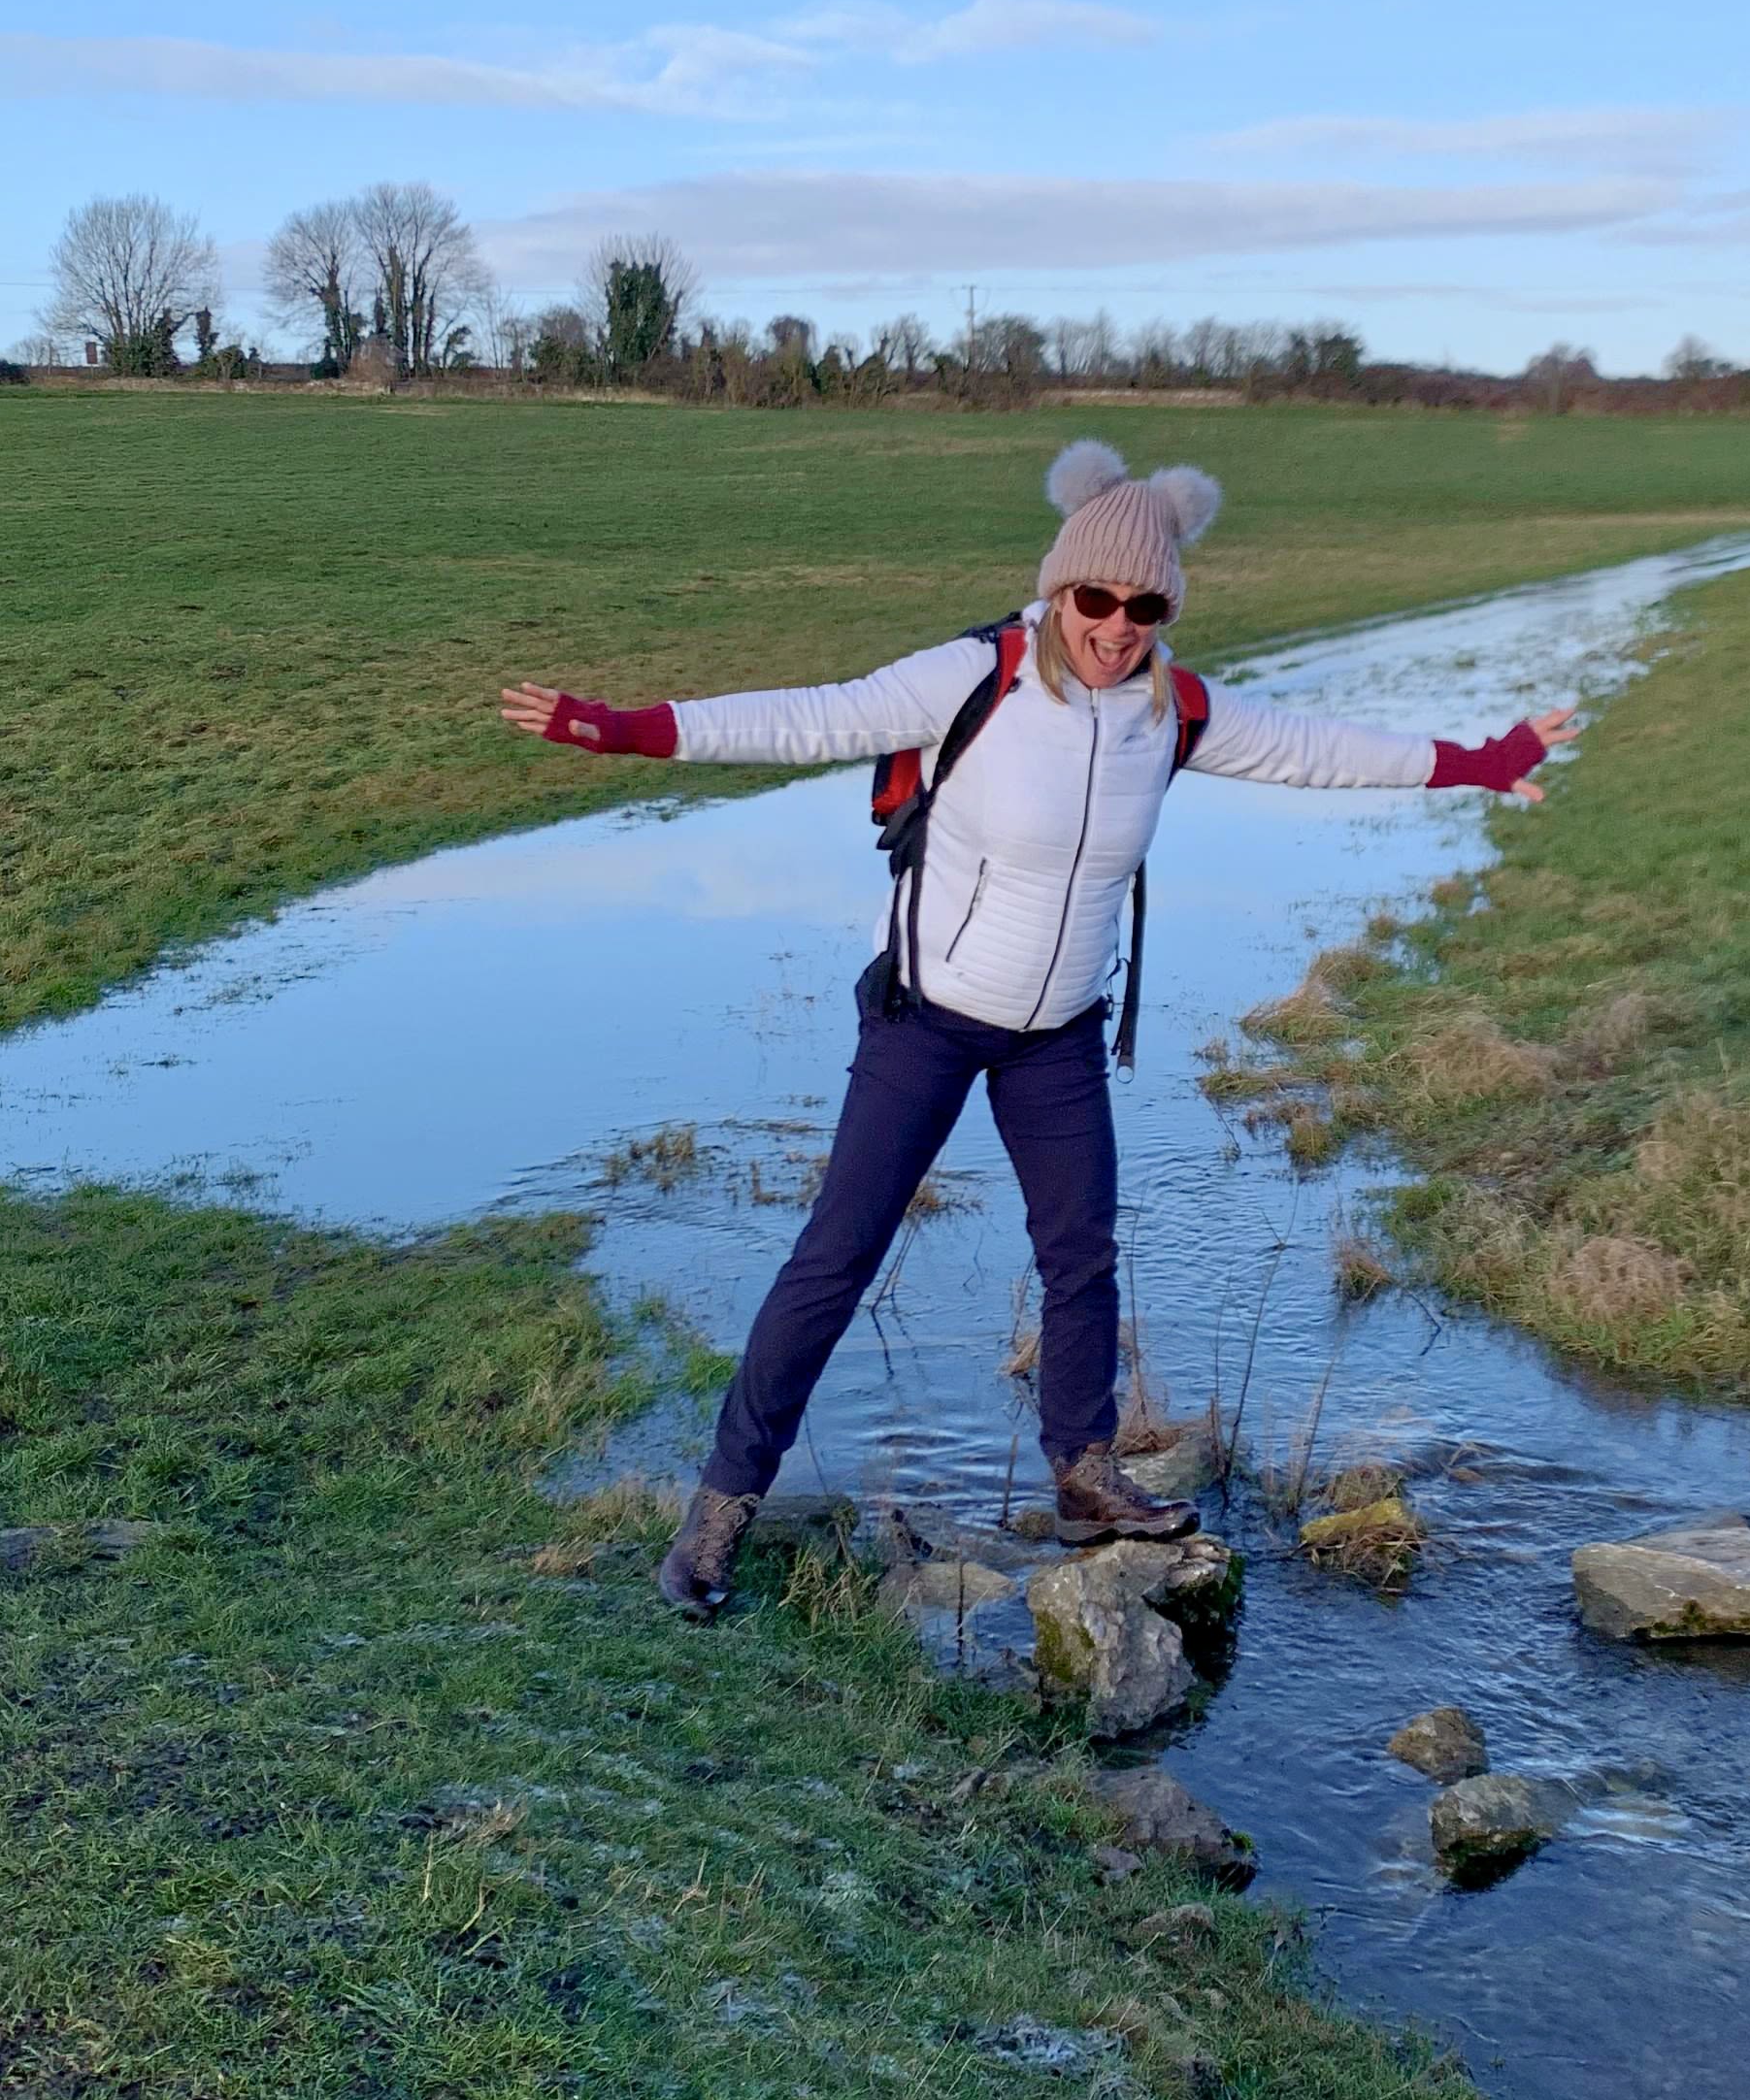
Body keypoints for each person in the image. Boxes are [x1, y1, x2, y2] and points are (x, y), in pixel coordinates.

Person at [500, 441, 1576, 1619]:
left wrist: (1485, 759)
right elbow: (811, 717)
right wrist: (624, 730)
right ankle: (718, 1513)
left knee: (1082, 1252)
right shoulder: (980, 677)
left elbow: (1322, 751)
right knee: (836, 1257)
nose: (1119, 626)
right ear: (1060, 588)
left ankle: (1083, 1474)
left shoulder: (1176, 708)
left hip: (1058, 1032)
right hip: (927, 1018)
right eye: (1097, 599)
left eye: (1146, 605)